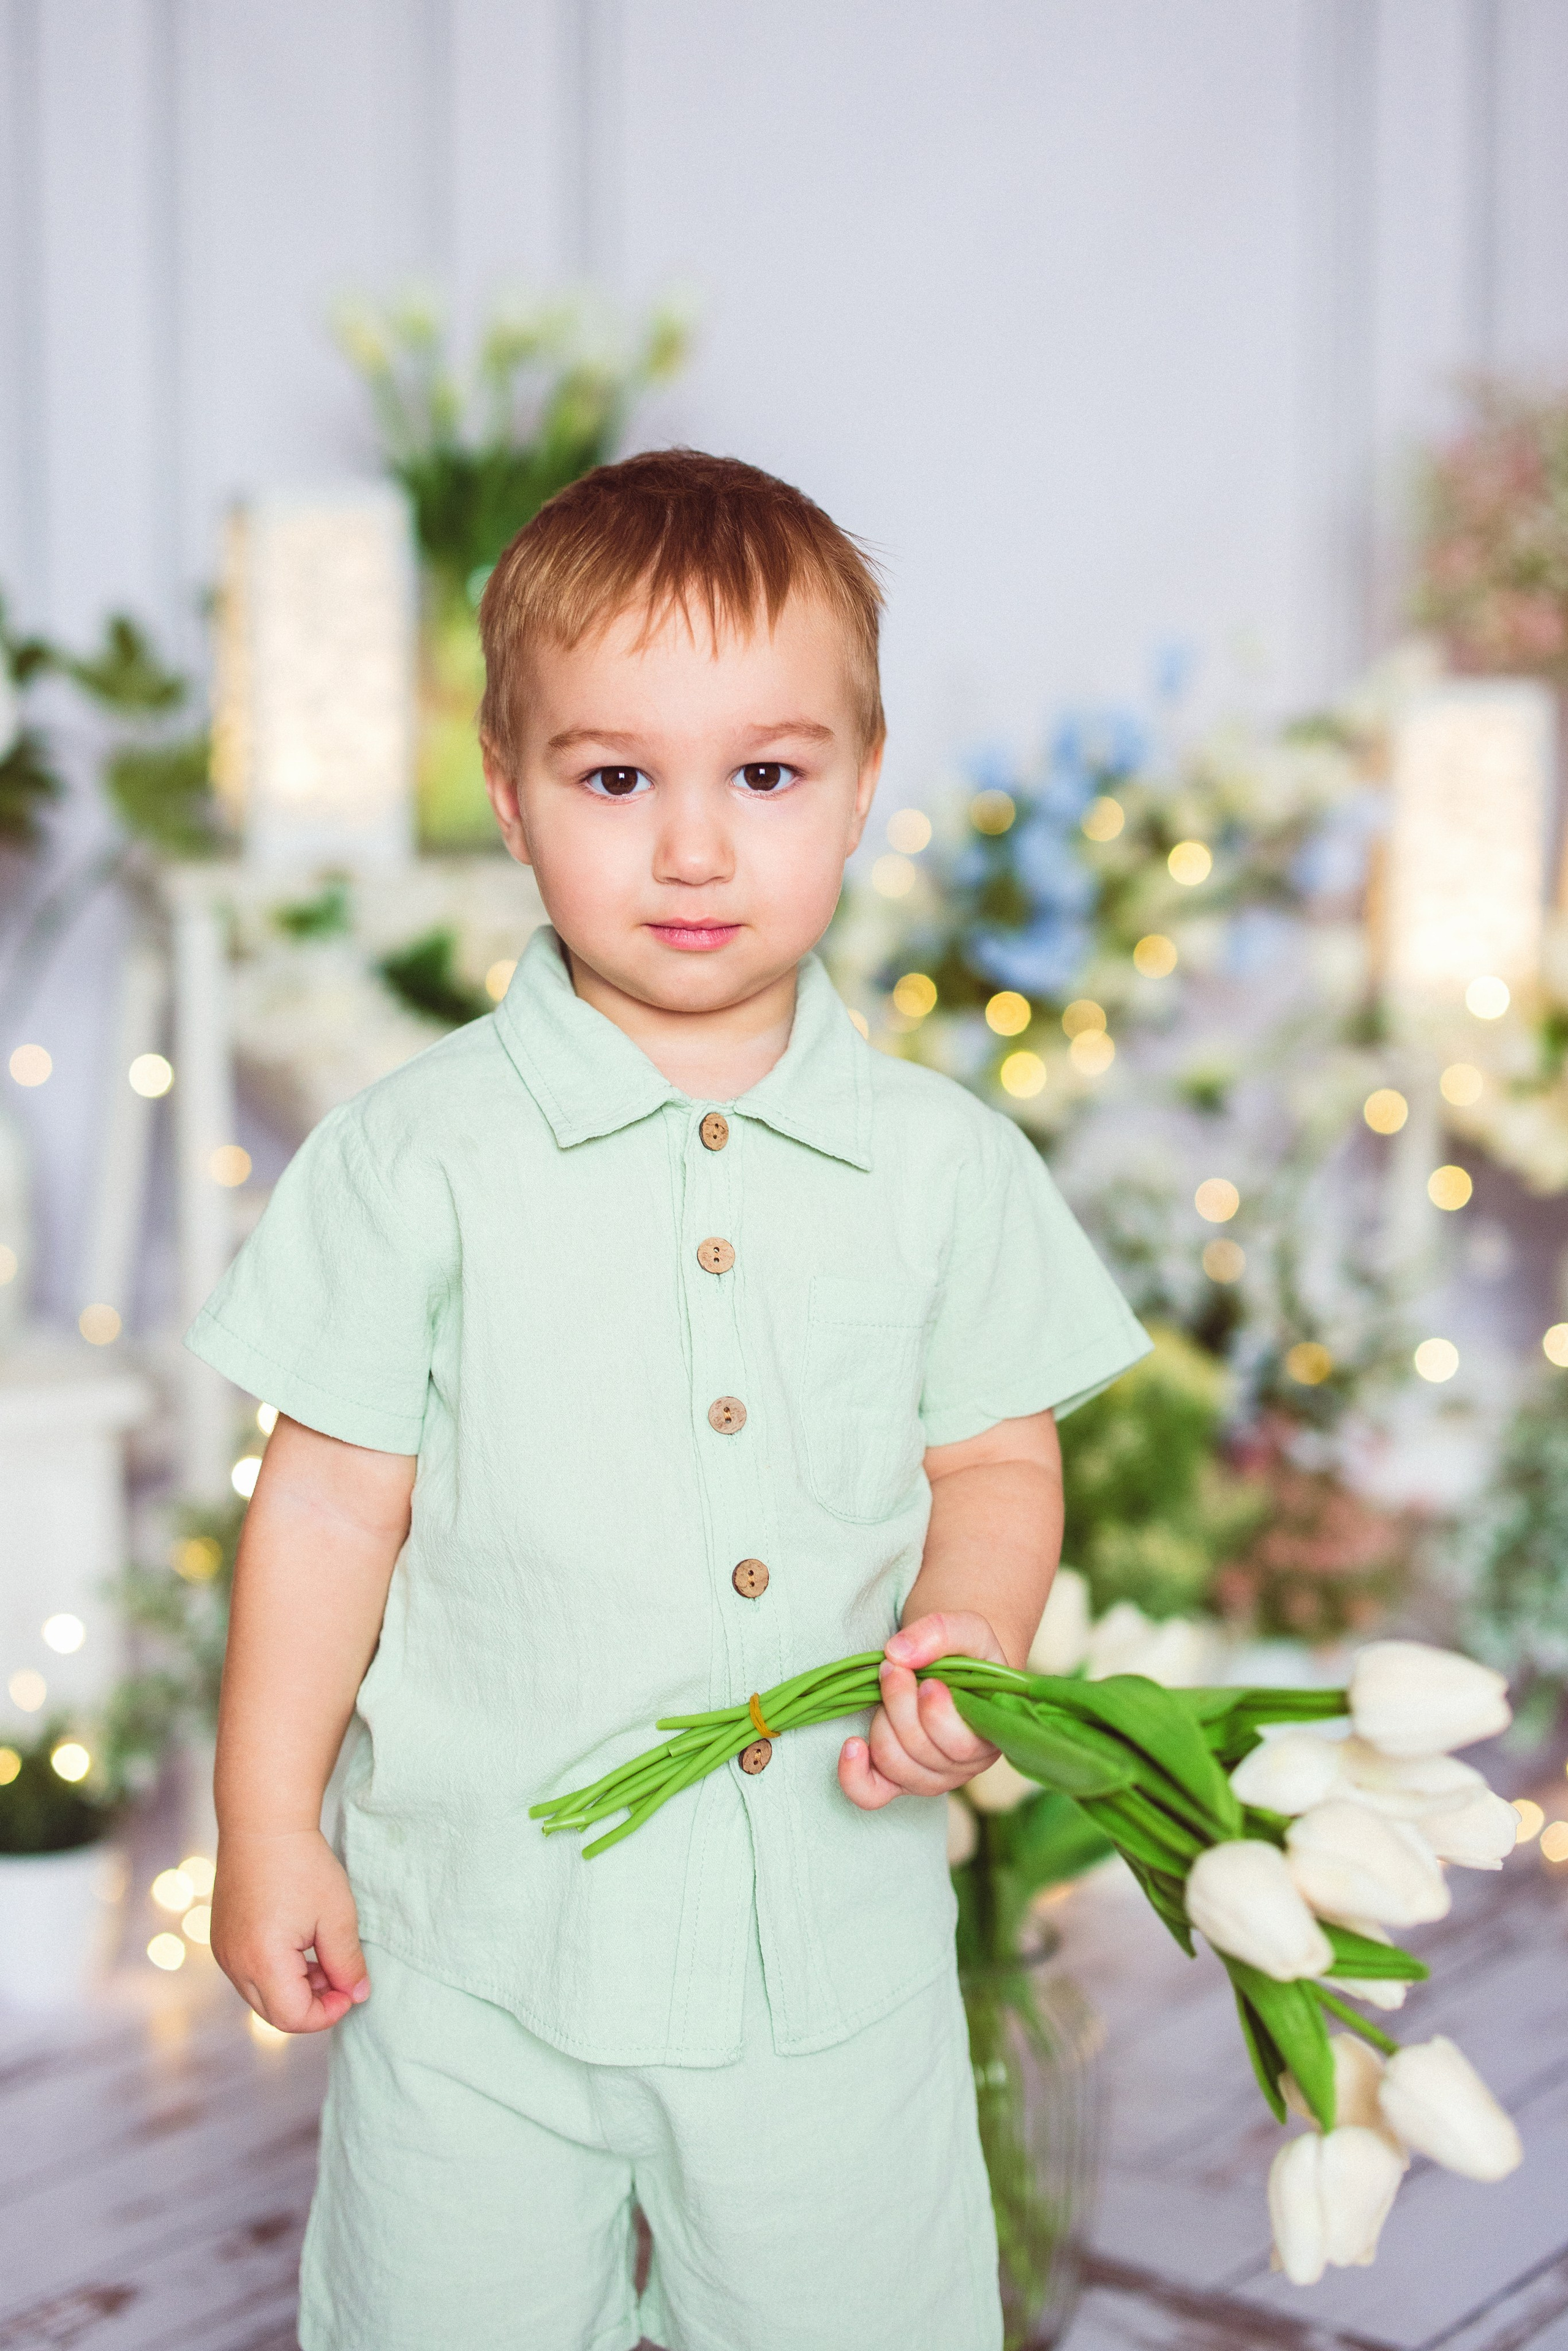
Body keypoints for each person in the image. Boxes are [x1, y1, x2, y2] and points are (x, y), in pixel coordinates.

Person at [194, 448, 1150, 2351]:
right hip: (474, 1946)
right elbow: (320, 1506)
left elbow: (995, 1458)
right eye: (617, 778)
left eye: (767, 777)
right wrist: (266, 1818)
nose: (693, 849)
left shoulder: (941, 1167)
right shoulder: (416, 1157)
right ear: (510, 792)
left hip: (833, 1943)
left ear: (863, 787)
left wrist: (971, 1623)